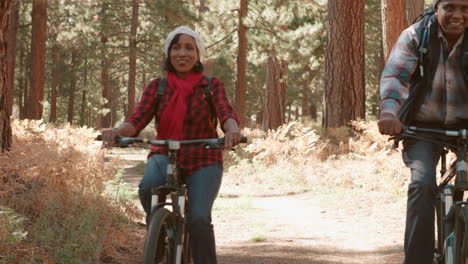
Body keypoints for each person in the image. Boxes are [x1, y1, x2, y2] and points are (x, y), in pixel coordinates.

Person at [102, 26, 241, 264]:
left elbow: (226, 113)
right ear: (168, 53)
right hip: (164, 153)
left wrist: (232, 131)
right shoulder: (157, 86)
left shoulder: (211, 85)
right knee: (148, 187)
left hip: (203, 158)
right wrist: (117, 132)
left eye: (189, 47)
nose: (182, 53)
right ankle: (156, 239)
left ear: (198, 54)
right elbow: (136, 120)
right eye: (176, 47)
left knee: (197, 218)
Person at [378, 0, 468, 263]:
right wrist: (388, 113)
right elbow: (395, 77)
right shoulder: (417, 36)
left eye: (466, 8)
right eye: (450, 7)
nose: (458, 15)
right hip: (422, 128)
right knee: (422, 183)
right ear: (436, 8)